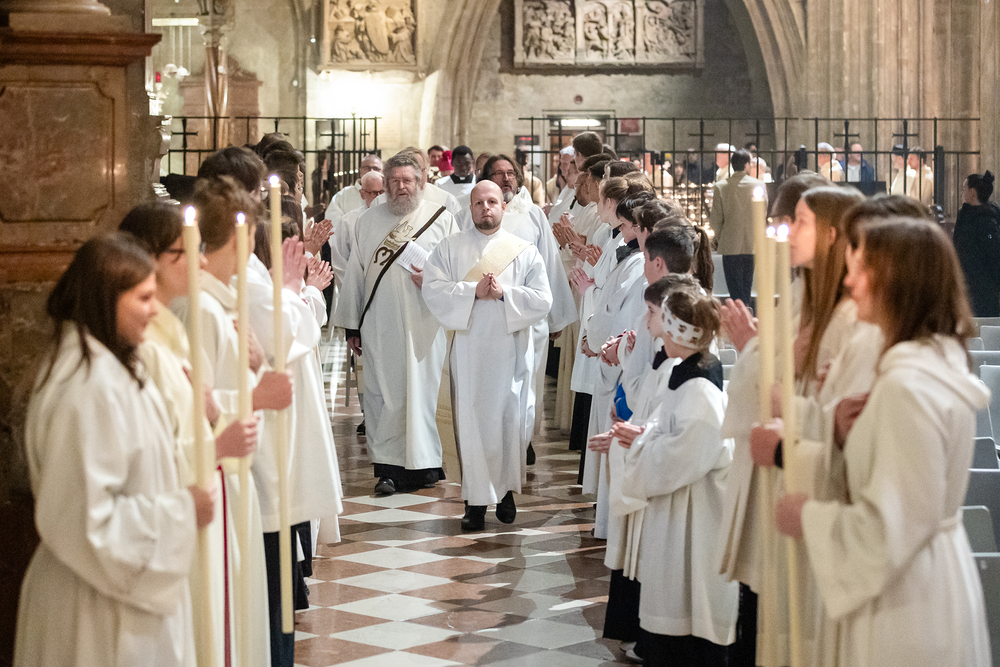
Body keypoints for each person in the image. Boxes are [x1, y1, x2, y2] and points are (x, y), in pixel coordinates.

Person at [776, 216, 991, 667]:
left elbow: (888, 528)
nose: (848, 281)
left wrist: (807, 517)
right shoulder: (935, 360)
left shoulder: (906, 388)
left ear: (895, 281)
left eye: (860, 269)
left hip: (906, 601)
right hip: (932, 577)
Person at [15, 234, 213, 667]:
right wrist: (183, 510)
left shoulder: (110, 367)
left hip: (116, 594)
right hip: (97, 606)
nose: (155, 309)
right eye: (143, 297)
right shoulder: (88, 388)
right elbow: (84, 520)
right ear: (106, 299)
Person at [120, 203, 261, 667]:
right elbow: (146, 450)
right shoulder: (145, 345)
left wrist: (220, 413)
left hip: (198, 492)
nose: (202, 260)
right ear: (150, 259)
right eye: (187, 251)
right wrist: (217, 439)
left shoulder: (166, 331)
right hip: (173, 508)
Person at [619, 283, 738, 666]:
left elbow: (678, 460)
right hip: (676, 525)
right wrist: (641, 435)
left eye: (660, 320)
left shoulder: (700, 392)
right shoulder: (684, 378)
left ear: (676, 332)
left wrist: (640, 444)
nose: (652, 326)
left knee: (688, 638)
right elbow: (665, 431)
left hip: (695, 531)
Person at [423, 181, 552, 530]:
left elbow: (543, 298)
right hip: (468, 353)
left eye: (492, 202)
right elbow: (433, 289)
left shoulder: (523, 251)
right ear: (470, 208)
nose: (485, 208)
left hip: (510, 353)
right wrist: (472, 292)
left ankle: (506, 494)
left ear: (503, 207)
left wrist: (504, 294)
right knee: (471, 424)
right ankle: (475, 502)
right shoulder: (450, 248)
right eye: (479, 203)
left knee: (510, 421)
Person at [336, 153, 460, 494]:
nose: (401, 187)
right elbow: (356, 274)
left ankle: (426, 463)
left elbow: (457, 270)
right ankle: (388, 468)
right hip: (381, 323)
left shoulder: (441, 218)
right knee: (384, 394)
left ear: (420, 182)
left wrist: (434, 280)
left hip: (427, 323)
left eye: (407, 180)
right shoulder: (368, 221)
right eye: (394, 181)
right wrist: (352, 325)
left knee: (424, 393)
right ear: (386, 184)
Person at [709, 149, 766, 307]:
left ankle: (739, 311)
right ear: (747, 165)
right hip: (752, 243)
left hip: (730, 243)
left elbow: (715, 219)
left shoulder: (721, 186)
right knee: (747, 285)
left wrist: (722, 237)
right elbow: (762, 213)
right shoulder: (758, 185)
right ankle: (747, 310)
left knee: (734, 289)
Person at [954, 171, 1000, 316]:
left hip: (982, 293)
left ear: (972, 193)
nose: (962, 194)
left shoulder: (986, 221)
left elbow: (994, 257)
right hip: (966, 289)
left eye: (964, 189)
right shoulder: (966, 217)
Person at [325, 153, 383, 225]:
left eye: (375, 168)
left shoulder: (388, 195)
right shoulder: (343, 195)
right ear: (360, 170)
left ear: (382, 171)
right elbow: (332, 223)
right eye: (367, 168)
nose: (371, 171)